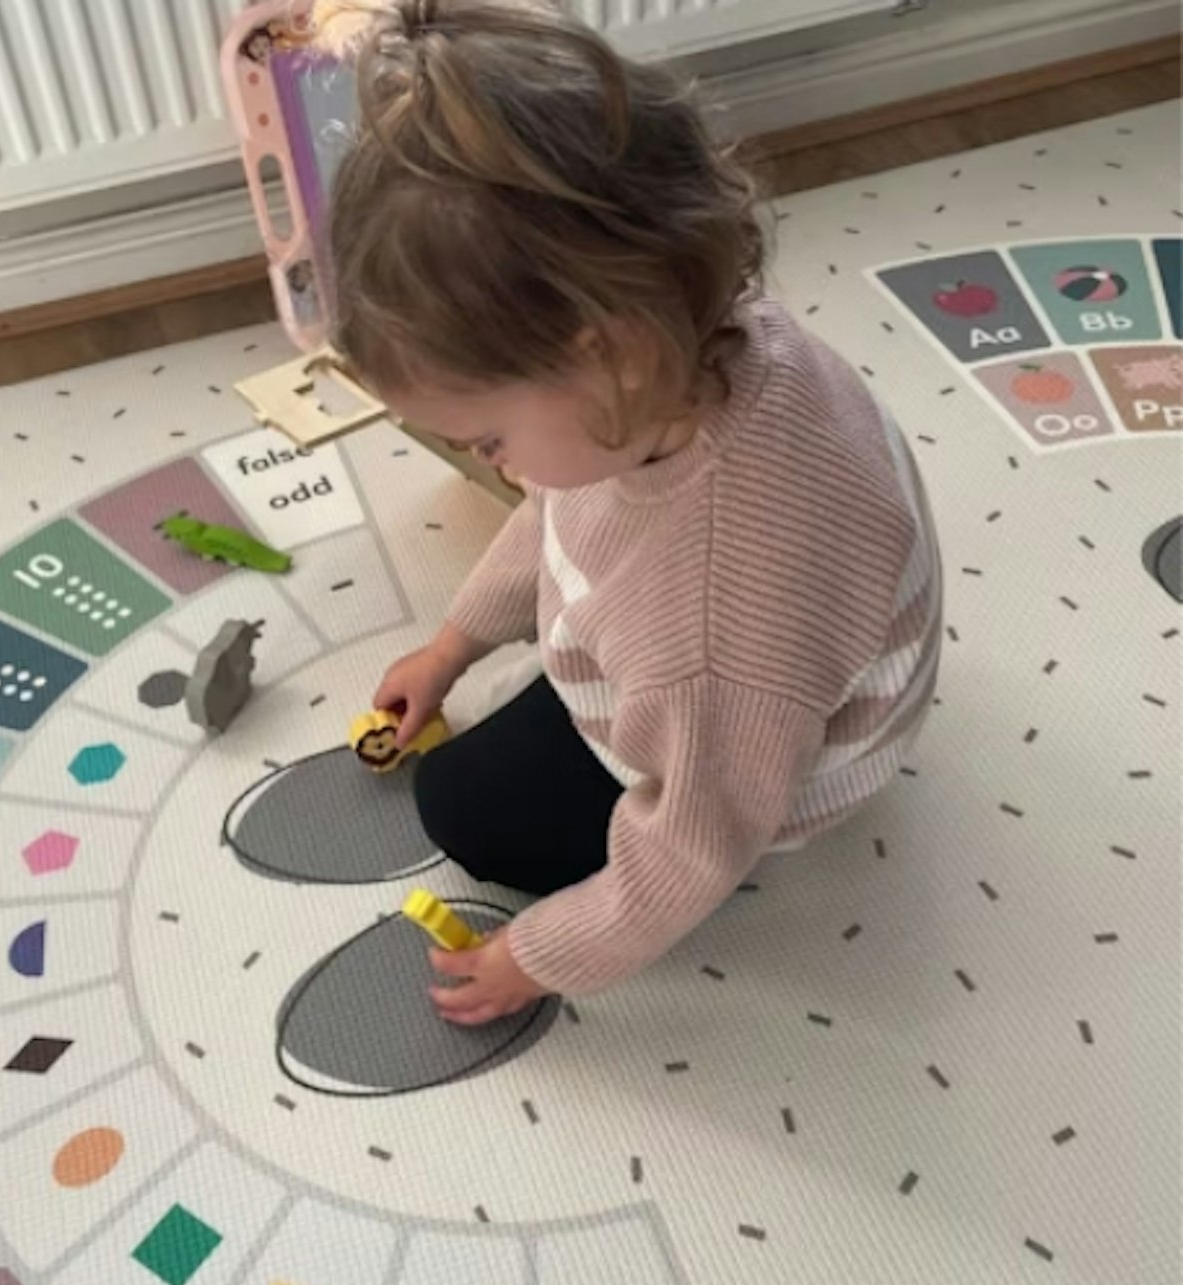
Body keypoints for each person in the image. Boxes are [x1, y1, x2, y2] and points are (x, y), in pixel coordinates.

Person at [313, 0, 943, 1025]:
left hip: (771, 767)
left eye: (483, 441)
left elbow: (696, 844)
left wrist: (542, 954)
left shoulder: (708, 616)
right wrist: (456, 643)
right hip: (756, 673)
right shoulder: (690, 348)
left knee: (463, 808)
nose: (489, 466)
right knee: (520, 709)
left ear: (612, 352)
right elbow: (562, 516)